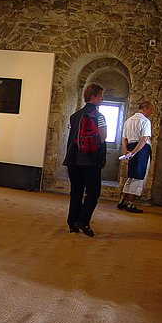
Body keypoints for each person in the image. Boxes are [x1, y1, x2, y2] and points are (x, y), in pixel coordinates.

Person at [62, 84, 107, 237]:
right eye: (100, 95)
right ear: (94, 97)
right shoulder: (99, 116)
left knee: (76, 192)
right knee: (93, 192)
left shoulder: (74, 116)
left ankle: (72, 223)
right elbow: (103, 137)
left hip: (73, 160)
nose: (102, 99)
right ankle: (83, 221)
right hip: (91, 161)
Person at [117, 101, 154, 213]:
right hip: (141, 149)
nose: (151, 112)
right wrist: (134, 152)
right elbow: (144, 139)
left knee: (131, 176)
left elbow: (124, 139)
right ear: (145, 108)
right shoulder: (145, 121)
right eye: (151, 109)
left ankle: (122, 201)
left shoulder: (128, 121)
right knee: (138, 177)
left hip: (130, 147)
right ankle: (131, 204)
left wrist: (126, 151)